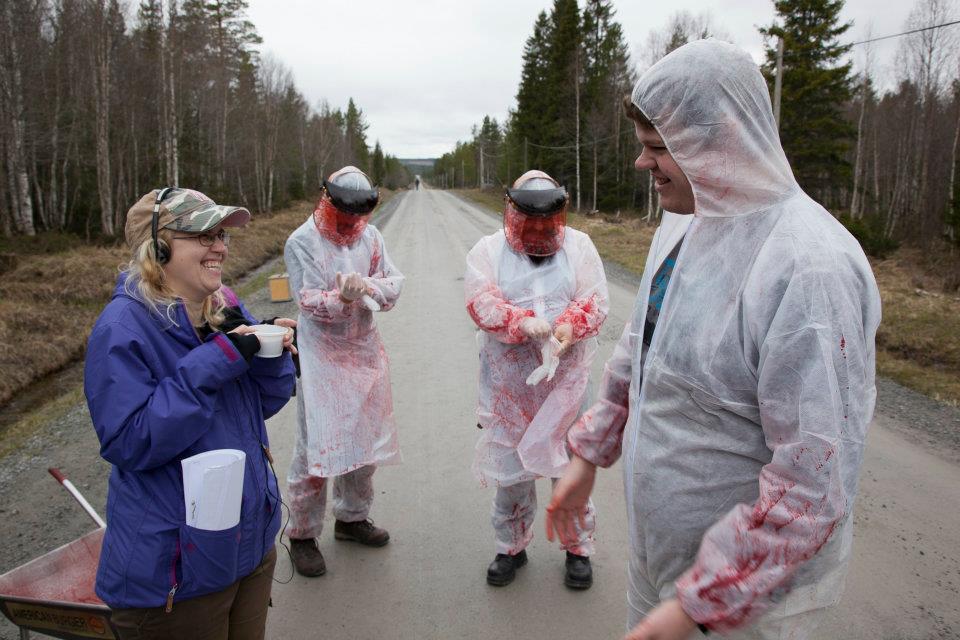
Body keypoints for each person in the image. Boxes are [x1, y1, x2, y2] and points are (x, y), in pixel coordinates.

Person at [545, 39, 882, 640]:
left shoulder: (808, 268)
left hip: (745, 604)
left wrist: (702, 605)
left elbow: (812, 481)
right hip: (667, 574)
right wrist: (588, 454)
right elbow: (641, 349)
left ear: (720, 141)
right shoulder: (684, 222)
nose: (641, 166)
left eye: (655, 149)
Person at [84, 187, 297, 639]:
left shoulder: (221, 308)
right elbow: (130, 441)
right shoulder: (122, 328)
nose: (219, 246)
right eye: (203, 235)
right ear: (158, 247)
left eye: (221, 235)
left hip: (249, 549)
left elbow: (255, 408)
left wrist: (274, 359)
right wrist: (217, 360)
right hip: (175, 576)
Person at [464, 170, 609, 589]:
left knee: (569, 470)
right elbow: (480, 301)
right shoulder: (488, 250)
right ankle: (511, 546)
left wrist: (569, 326)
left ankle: (578, 547)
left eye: (549, 224)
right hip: (511, 388)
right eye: (532, 224)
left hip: (567, 383)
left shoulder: (579, 246)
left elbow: (596, 299)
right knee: (512, 471)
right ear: (513, 215)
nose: (541, 231)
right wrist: (520, 322)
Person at [284, 166, 404, 577]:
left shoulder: (370, 237)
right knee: (316, 448)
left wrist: (369, 289)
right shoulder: (302, 241)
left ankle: (352, 518)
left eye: (359, 215)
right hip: (322, 357)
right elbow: (308, 300)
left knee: (362, 442)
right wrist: (342, 298)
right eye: (344, 214)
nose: (351, 223)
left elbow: (392, 284)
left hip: (363, 351)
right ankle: (302, 534)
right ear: (327, 201)